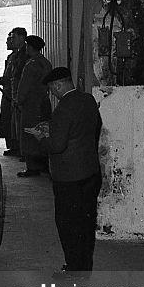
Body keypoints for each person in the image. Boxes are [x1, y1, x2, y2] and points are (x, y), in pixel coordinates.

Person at [27, 66, 103, 275]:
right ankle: (84, 266)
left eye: (52, 89)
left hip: (69, 178)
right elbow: (89, 128)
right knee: (86, 224)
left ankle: (74, 269)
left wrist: (40, 137)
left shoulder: (63, 109)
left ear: (58, 85)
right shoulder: (87, 100)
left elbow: (57, 146)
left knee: (68, 226)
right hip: (90, 172)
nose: (52, 93)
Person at [15, 34, 52, 177]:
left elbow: (24, 86)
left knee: (29, 134)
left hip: (31, 105)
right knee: (43, 131)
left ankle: (32, 167)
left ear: (29, 47)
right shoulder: (46, 63)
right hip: (44, 103)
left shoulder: (31, 65)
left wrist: (18, 100)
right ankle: (44, 164)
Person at [0, 26, 28, 156]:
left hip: (15, 95)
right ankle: (13, 146)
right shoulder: (12, 56)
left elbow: (16, 76)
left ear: (22, 38)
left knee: (16, 122)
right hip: (8, 93)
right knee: (7, 121)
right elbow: (7, 77)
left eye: (13, 38)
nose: (10, 41)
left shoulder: (24, 56)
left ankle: (20, 148)